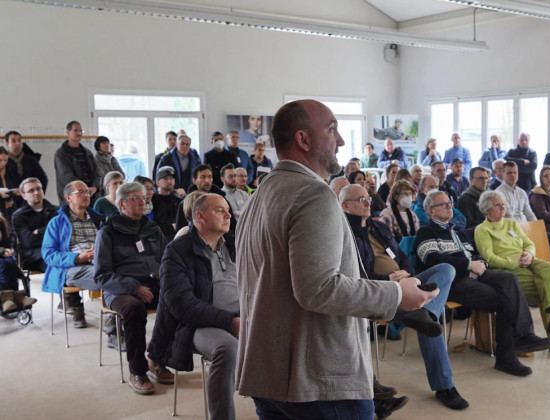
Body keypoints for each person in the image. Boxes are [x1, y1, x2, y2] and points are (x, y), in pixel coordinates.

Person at [235, 99, 437, 418]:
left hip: (268, 373)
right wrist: (397, 295)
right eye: (332, 130)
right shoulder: (313, 194)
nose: (341, 140)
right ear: (303, 139)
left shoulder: (259, 195)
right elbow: (318, 288)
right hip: (317, 383)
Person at [340, 184, 469, 412]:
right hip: (379, 290)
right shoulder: (345, 234)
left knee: (446, 269)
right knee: (426, 319)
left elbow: (402, 256)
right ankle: (444, 386)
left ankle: (425, 312)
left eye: (368, 198)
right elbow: (355, 276)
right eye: (361, 200)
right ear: (345, 206)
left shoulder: (379, 227)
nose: (368, 202)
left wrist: (407, 273)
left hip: (406, 282)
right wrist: (387, 279)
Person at [414, 190, 550, 376]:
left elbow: (477, 255)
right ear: (430, 211)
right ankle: (508, 356)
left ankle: (524, 336)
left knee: (509, 279)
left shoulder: (457, 232)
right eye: (443, 204)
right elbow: (432, 260)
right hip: (452, 281)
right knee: (505, 299)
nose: (449, 206)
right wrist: (468, 266)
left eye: (450, 203)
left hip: (474, 274)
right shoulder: (426, 232)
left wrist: (479, 265)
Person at [149, 193, 240, 418]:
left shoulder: (234, 243)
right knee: (227, 348)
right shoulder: (177, 251)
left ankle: (275, 409)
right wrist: (231, 322)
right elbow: (182, 306)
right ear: (200, 216)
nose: (228, 215)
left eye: (228, 210)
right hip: (198, 323)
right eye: (220, 210)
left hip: (241, 316)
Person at [474, 190, 550, 356]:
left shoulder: (511, 224)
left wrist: (529, 254)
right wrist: (513, 262)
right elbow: (490, 258)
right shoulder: (482, 230)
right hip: (508, 269)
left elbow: (528, 243)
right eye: (497, 205)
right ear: (487, 209)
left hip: (528, 261)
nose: (503, 208)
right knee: (547, 288)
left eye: (503, 204)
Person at [93, 182, 171, 395]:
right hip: (118, 289)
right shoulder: (107, 232)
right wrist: (134, 287)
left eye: (144, 198)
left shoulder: (152, 228)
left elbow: (168, 260)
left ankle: (157, 358)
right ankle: (137, 371)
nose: (142, 202)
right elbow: (101, 275)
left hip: (153, 283)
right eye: (136, 198)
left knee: (177, 301)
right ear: (122, 204)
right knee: (134, 309)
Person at [42, 181, 106, 328]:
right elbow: (48, 254)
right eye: (80, 192)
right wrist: (77, 258)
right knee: (108, 277)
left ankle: (115, 315)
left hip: (100, 262)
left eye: (87, 192)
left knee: (119, 273)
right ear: (68, 198)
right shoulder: (57, 223)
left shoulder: (99, 220)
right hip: (71, 267)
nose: (86, 195)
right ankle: (111, 322)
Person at [498, 161, 550, 265]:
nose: (513, 175)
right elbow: (508, 216)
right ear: (503, 174)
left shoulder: (521, 192)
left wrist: (538, 230)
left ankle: (549, 268)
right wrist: (524, 231)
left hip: (528, 229)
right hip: (512, 232)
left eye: (515, 172)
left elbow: (530, 214)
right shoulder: (499, 193)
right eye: (509, 173)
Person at [12, 177, 59, 272]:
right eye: (31, 191)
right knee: (56, 266)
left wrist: (39, 231)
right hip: (35, 256)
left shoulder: (56, 210)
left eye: (38, 189)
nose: (36, 192)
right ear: (23, 196)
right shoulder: (19, 216)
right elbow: (29, 242)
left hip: (58, 250)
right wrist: (52, 233)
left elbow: (63, 234)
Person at [54, 121, 100, 203]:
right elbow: (66, 176)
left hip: (91, 196)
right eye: (75, 130)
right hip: (73, 197)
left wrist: (95, 187)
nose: (79, 133)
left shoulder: (87, 153)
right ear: (68, 132)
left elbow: (96, 172)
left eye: (81, 131)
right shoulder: (61, 154)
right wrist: (84, 189)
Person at [528, 165, 550, 234]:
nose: (549, 178)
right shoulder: (536, 194)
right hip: (546, 228)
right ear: (541, 179)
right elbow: (543, 214)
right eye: (546, 176)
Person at [151, 166, 181, 241]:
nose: (169, 181)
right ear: (157, 182)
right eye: (166, 179)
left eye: (171, 178)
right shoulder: (152, 199)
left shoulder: (178, 200)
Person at [0, 147, 21, 222]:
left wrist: (18, 191)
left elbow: (17, 184)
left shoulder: (11, 169)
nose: (3, 163)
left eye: (5, 160)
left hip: (12, 205)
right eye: (0, 160)